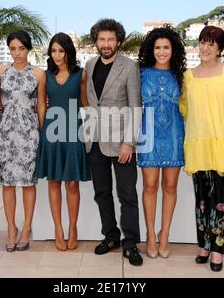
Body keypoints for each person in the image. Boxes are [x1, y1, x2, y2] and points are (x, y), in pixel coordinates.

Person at [179, 26, 224, 272]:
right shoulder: (188, 76)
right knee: (203, 201)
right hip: (199, 145)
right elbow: (184, 109)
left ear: (220, 48)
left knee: (223, 200)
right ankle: (205, 244)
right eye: (202, 43)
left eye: (211, 43)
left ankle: (218, 249)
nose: (205, 48)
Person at [84, 18, 143, 266]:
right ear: (96, 41)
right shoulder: (90, 64)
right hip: (95, 140)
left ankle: (130, 244)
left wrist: (129, 142)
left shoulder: (129, 66)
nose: (106, 44)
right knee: (102, 193)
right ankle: (111, 236)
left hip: (122, 143)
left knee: (127, 195)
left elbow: (135, 106)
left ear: (118, 41)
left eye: (110, 39)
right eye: (101, 39)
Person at [0, 31, 46, 252]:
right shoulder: (0, 71)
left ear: (28, 49)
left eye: (21, 48)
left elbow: (41, 105)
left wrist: (40, 133)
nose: (17, 53)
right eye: (13, 48)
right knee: (8, 182)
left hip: (29, 132)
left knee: (28, 182)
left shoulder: (39, 74)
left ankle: (26, 227)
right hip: (5, 131)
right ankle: (11, 228)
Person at [36, 32, 91, 251]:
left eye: (61, 50)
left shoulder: (81, 74)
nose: (57, 55)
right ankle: (58, 228)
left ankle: (73, 228)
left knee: (72, 183)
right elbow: (41, 105)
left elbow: (85, 105)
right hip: (51, 132)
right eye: (54, 51)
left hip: (74, 132)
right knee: (53, 182)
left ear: (68, 51)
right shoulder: (44, 75)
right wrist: (43, 131)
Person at [136, 27, 186, 259]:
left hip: (175, 134)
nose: (161, 51)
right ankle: (149, 233)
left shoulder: (182, 76)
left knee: (170, 187)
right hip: (148, 134)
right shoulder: (142, 74)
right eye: (157, 47)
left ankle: (164, 234)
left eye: (166, 47)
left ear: (173, 49)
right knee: (149, 186)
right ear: (151, 50)